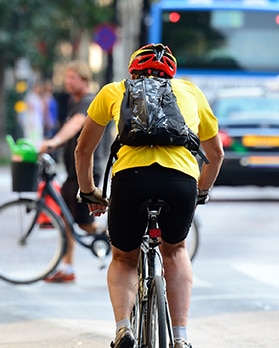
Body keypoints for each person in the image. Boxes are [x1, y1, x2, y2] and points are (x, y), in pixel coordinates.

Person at [74, 43, 224, 348]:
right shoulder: (191, 92)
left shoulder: (113, 91)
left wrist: (90, 192)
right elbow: (216, 154)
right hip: (180, 181)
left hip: (131, 181)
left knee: (124, 258)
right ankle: (180, 337)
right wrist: (200, 191)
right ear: (171, 74)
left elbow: (83, 150)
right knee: (176, 251)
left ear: (132, 71)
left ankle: (122, 329)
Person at [38, 60, 112, 283]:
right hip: (74, 170)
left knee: (83, 222)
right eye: (66, 77)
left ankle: (126, 238)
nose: (68, 82)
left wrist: (54, 141)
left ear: (84, 79)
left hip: (87, 171)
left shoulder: (89, 101)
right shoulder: (74, 101)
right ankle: (67, 267)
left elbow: (77, 124)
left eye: (72, 77)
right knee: (68, 219)